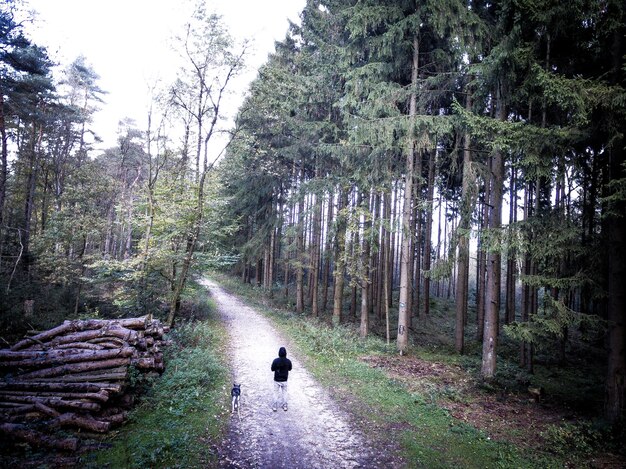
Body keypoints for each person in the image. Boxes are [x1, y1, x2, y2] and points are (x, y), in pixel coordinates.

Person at [271, 346, 292, 411]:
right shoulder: (288, 361)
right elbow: (290, 369)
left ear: (279, 353)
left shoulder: (275, 361)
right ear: (286, 353)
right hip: (284, 380)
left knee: (276, 393)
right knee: (284, 393)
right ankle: (285, 406)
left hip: (277, 380)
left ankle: (274, 406)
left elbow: (272, 369)